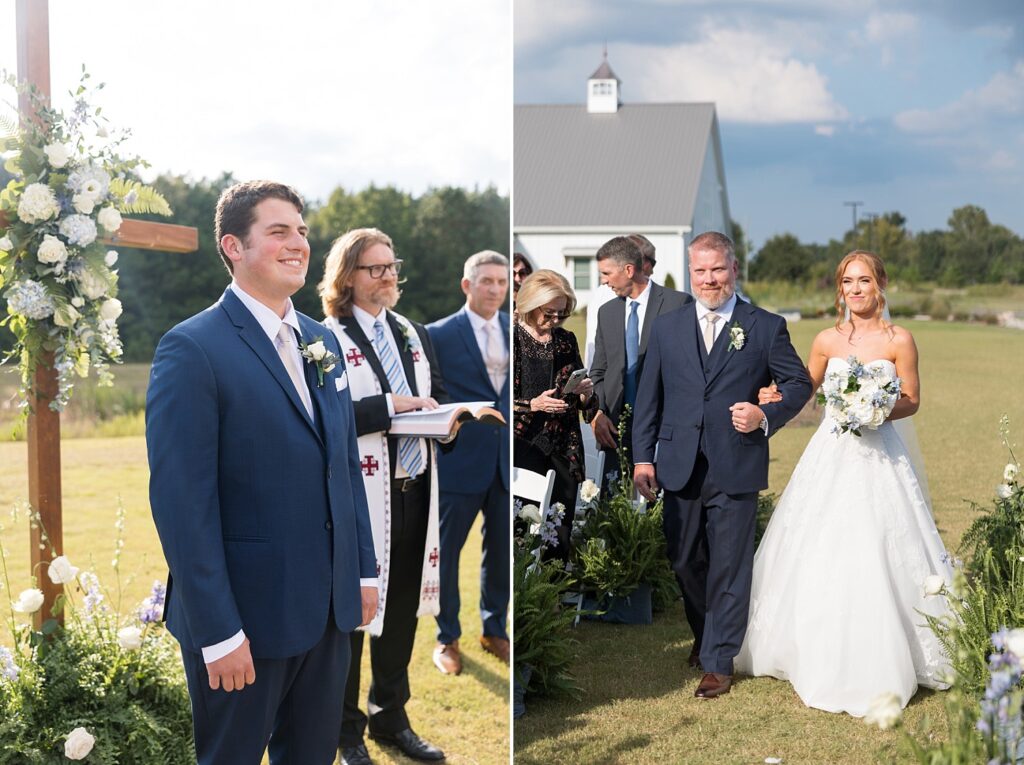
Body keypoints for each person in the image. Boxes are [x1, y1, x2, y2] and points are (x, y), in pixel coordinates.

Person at [146, 180, 378, 764]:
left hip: (327, 613)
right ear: (233, 246)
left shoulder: (321, 340)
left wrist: (364, 571)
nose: (298, 242)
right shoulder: (192, 349)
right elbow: (183, 506)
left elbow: (344, 465)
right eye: (278, 231)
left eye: (301, 230)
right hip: (244, 621)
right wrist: (218, 631)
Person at [734, 250, 952, 716]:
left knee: (880, 540)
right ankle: (810, 646)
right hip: (831, 452)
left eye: (865, 281)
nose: (856, 290)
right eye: (848, 282)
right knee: (821, 544)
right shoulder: (826, 340)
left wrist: (874, 409)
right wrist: (774, 397)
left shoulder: (900, 339)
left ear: (880, 286)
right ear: (840, 289)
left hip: (880, 454)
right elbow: (803, 390)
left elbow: (911, 400)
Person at [632, 231, 812, 699]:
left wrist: (764, 415)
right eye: (699, 271)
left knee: (729, 566)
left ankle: (718, 659)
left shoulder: (765, 326)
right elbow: (649, 398)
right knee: (685, 558)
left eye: (717, 269)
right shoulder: (668, 327)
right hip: (677, 463)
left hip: (736, 462)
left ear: (734, 270)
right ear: (689, 273)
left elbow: (799, 384)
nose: (708, 279)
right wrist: (642, 458)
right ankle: (705, 633)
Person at [319, 229, 447, 765]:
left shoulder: (413, 333)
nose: (390, 276)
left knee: (401, 614)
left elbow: (432, 391)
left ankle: (390, 716)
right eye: (377, 269)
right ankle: (344, 731)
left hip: (416, 489)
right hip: (362, 496)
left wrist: (449, 420)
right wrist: (388, 409)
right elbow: (323, 419)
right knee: (355, 612)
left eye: (393, 266)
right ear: (347, 276)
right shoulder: (323, 338)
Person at [427, 251, 511, 674]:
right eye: (487, 282)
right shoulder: (437, 335)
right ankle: (447, 638)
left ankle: (495, 629)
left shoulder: (517, 331)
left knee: (501, 553)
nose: (496, 289)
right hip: (458, 462)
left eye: (502, 282)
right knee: (446, 555)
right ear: (467, 285)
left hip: (504, 461)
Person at [589, 236, 691, 484]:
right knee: (615, 510)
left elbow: (688, 370)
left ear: (628, 269)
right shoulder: (608, 312)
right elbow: (599, 371)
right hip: (615, 430)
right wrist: (599, 412)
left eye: (606, 273)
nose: (603, 281)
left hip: (664, 428)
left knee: (660, 508)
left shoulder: (678, 304)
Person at [513, 269, 597, 557]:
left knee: (559, 533)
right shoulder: (511, 340)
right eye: (548, 313)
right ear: (530, 304)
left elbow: (587, 405)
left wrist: (586, 393)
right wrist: (533, 404)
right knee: (521, 533)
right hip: (522, 448)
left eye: (561, 313)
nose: (555, 320)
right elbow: (496, 401)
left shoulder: (566, 340)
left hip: (564, 449)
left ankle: (555, 599)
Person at [584, 233, 658, 366]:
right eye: (652, 262)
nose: (652, 270)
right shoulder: (606, 295)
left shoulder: (662, 298)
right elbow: (596, 348)